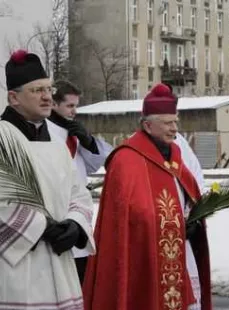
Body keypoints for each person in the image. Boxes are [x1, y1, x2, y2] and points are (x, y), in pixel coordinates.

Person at [83, 83, 211, 310]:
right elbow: (129, 215)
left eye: (176, 122)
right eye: (167, 123)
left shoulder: (175, 154)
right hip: (141, 256)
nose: (174, 129)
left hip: (179, 252)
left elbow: (188, 193)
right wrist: (170, 225)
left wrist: (193, 220)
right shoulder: (126, 159)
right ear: (147, 125)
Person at [0, 49, 95, 309]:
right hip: (16, 267)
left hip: (59, 260)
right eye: (37, 90)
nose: (46, 97)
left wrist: (75, 225)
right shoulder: (2, 138)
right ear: (13, 97)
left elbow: (79, 193)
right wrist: (43, 227)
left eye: (49, 89)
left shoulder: (55, 142)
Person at [48, 80, 112, 284]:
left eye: (76, 106)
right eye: (70, 105)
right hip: (58, 212)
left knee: (81, 277)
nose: (74, 111)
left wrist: (89, 142)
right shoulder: (44, 132)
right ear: (54, 104)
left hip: (80, 213)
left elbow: (99, 163)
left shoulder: (73, 131)